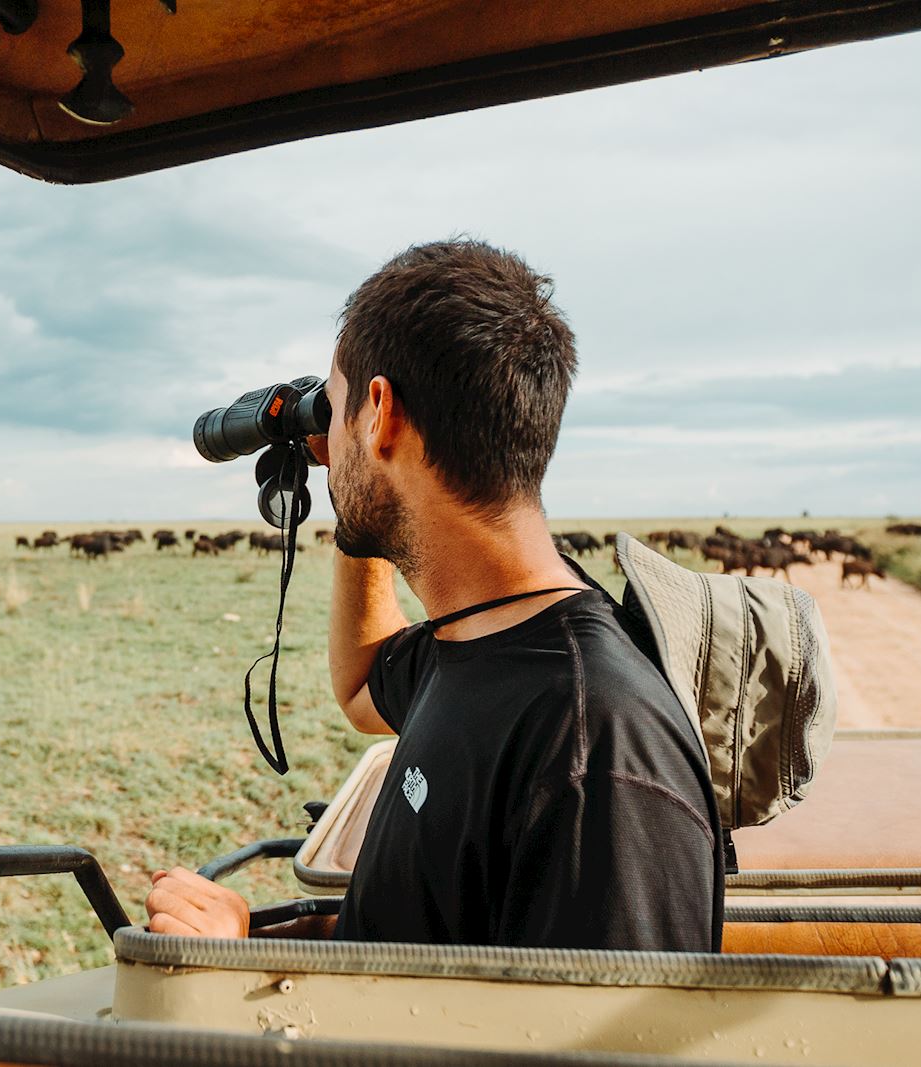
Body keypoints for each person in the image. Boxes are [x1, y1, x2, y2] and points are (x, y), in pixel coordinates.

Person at [145, 240, 723, 951]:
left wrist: (241, 967)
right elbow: (362, 684)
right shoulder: (486, 635)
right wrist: (354, 496)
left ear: (380, 411)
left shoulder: (596, 746)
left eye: (333, 406)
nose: (324, 435)